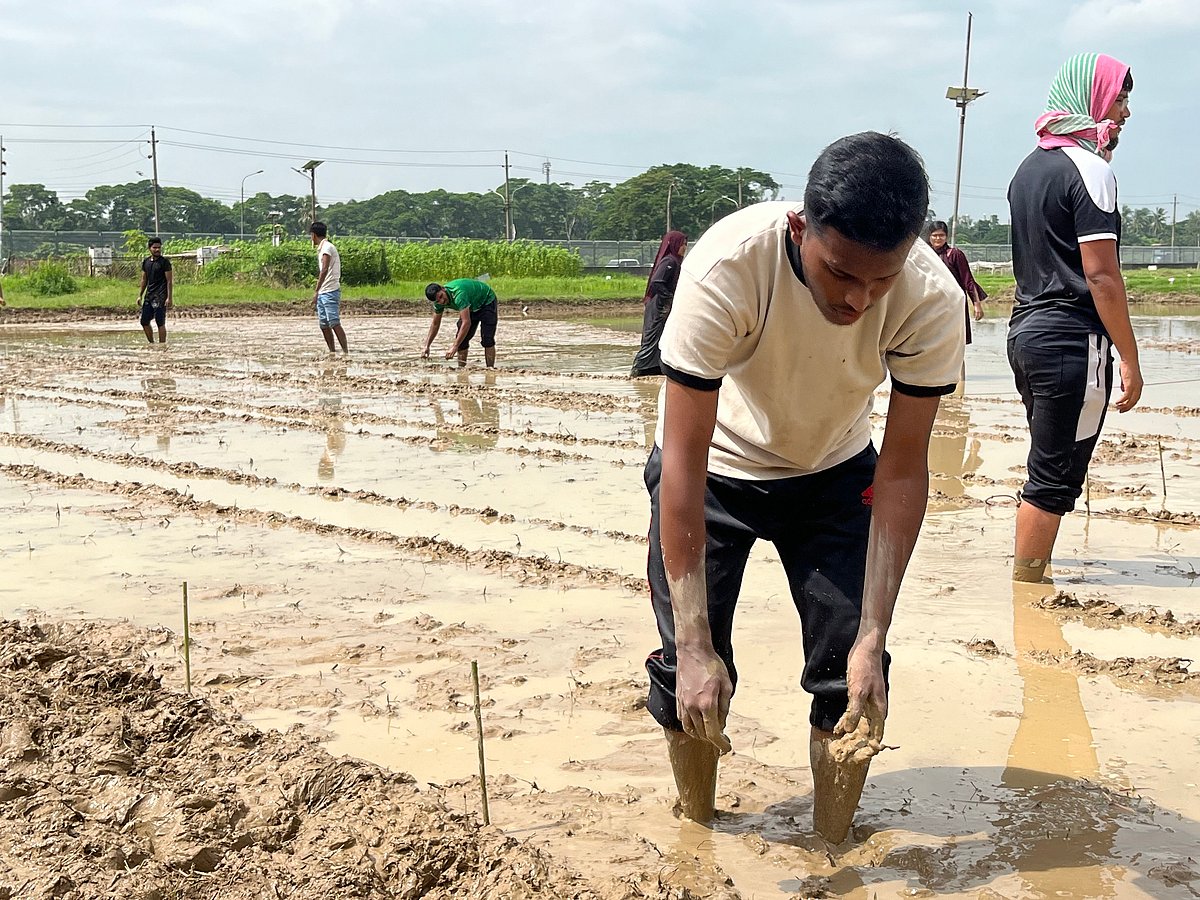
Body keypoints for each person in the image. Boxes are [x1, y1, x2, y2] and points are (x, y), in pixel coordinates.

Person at [643, 132, 964, 842]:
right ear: (799, 229)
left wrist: (873, 633)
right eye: (842, 273)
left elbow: (905, 466)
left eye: (882, 280)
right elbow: (685, 460)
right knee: (687, 664)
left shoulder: (931, 297)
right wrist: (695, 642)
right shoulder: (728, 266)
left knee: (850, 668)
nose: (860, 299)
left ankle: (832, 848)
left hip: (834, 470)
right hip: (717, 470)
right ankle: (698, 828)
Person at [1006, 53, 1140, 584]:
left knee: (1047, 463)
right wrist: (1129, 357)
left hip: (1026, 334)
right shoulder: (1091, 170)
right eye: (1120, 99)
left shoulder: (1027, 171)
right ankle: (1028, 590)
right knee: (1054, 478)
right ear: (1091, 98)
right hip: (1071, 340)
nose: (1126, 113)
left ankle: (1029, 576)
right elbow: (1102, 277)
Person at [631, 230, 688, 377]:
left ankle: (655, 366)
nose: (684, 248)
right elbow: (657, 282)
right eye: (682, 244)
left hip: (663, 304)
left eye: (686, 244)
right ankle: (640, 368)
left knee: (663, 334)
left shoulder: (675, 261)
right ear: (674, 245)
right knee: (653, 334)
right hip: (659, 305)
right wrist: (668, 298)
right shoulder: (669, 261)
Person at [926, 220, 986, 345]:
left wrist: (976, 304)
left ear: (946, 237)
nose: (938, 238)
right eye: (935, 235)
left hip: (953, 304)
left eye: (941, 235)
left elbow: (967, 280)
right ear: (929, 236)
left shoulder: (954, 255)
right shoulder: (925, 255)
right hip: (931, 304)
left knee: (954, 341)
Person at [422, 278, 498, 367]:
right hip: (470, 305)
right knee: (462, 340)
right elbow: (435, 324)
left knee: (487, 339)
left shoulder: (459, 295)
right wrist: (426, 346)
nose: (442, 301)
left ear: (443, 289)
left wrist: (454, 347)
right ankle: (461, 368)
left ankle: (490, 369)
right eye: (438, 301)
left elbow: (466, 323)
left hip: (486, 301)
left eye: (441, 296)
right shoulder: (438, 303)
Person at [310, 222, 348, 353]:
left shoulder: (326, 248)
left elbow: (324, 269)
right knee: (324, 324)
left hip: (330, 290)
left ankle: (345, 351)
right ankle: (332, 351)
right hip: (324, 291)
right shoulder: (324, 247)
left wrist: (316, 290)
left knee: (334, 322)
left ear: (313, 235)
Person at [137, 237, 173, 344]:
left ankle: (162, 345)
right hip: (149, 295)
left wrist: (169, 298)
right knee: (144, 322)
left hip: (161, 296)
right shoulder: (146, 262)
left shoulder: (164, 262)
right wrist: (140, 295)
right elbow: (144, 279)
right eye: (155, 247)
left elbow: (169, 281)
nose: (157, 250)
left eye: (159, 247)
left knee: (160, 322)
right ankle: (152, 343)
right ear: (149, 248)